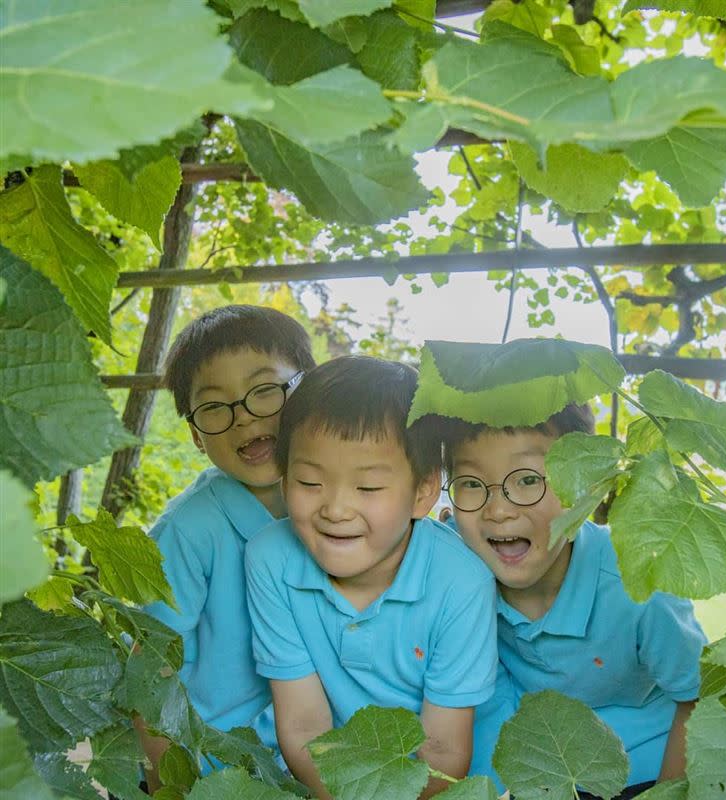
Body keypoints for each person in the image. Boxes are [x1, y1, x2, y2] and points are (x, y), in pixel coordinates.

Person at [245, 356, 502, 799]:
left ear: (423, 491)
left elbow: (443, 754)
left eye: (367, 488)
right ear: (284, 479)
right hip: (321, 777)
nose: (336, 509)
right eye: (309, 482)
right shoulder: (270, 559)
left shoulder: (461, 583)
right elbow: (304, 724)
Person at [442, 404, 707, 799]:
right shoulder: (459, 568)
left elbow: (698, 699)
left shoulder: (638, 584)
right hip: (540, 765)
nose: (497, 510)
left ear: (585, 489)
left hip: (641, 767)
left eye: (529, 478)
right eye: (471, 483)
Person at [140, 304, 316, 787]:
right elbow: (148, 671)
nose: (243, 417)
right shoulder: (191, 530)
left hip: (304, 760)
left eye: (264, 390)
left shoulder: (333, 512)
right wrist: (169, 787)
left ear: (306, 391)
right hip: (210, 771)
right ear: (196, 433)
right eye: (215, 406)